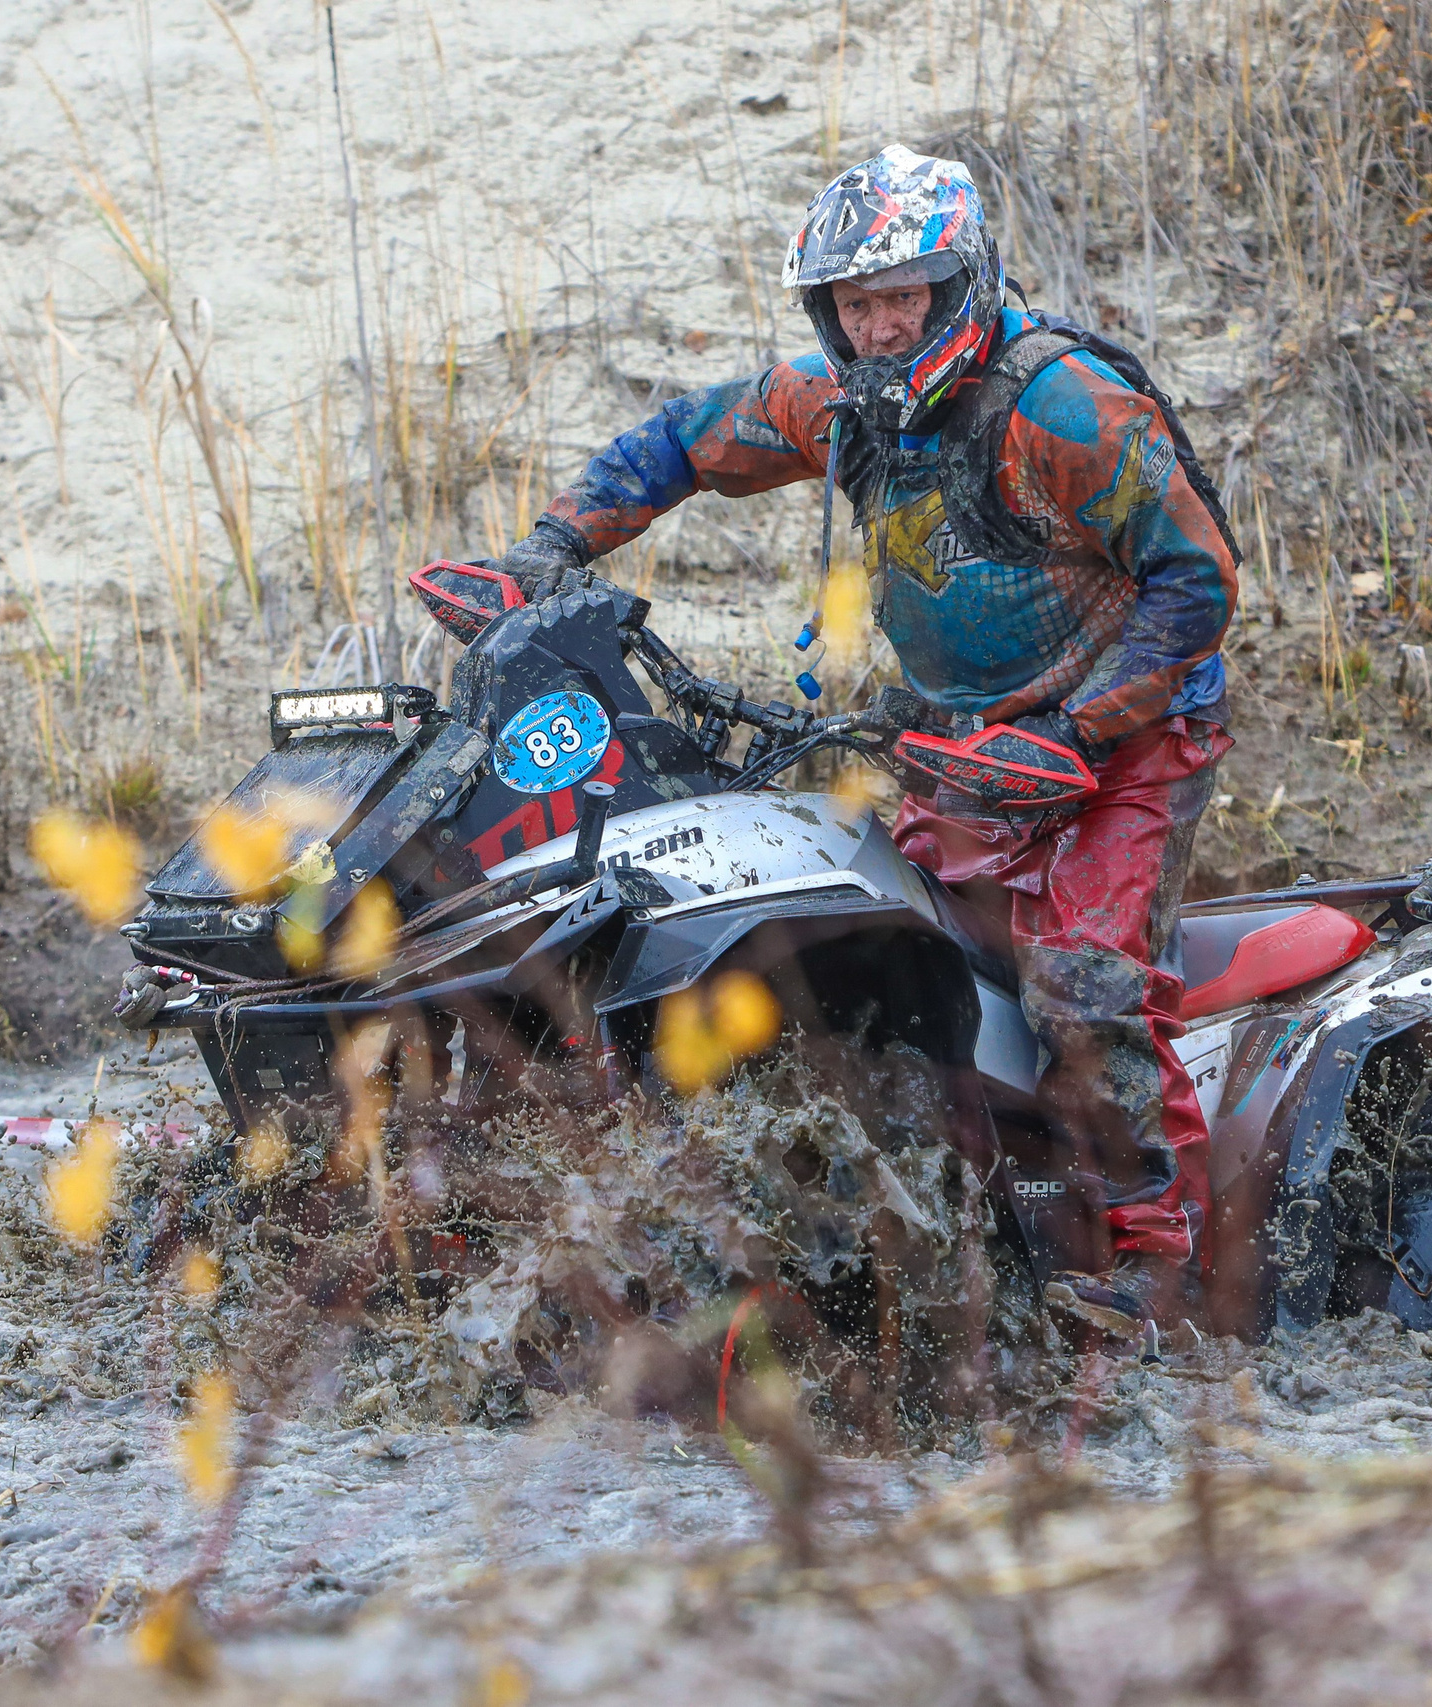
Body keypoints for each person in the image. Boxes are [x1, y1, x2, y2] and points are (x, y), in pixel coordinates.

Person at [491, 144, 1236, 1334]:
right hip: (960, 741)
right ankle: (975, 1220)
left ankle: (1162, 1272)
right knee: (914, 966)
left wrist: (1078, 730)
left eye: (903, 298)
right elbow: (684, 440)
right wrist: (552, 548)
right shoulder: (833, 404)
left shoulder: (1065, 406)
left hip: (1128, 738)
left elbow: (1197, 584)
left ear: (958, 285)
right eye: (856, 304)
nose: (882, 327)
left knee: (1084, 987)